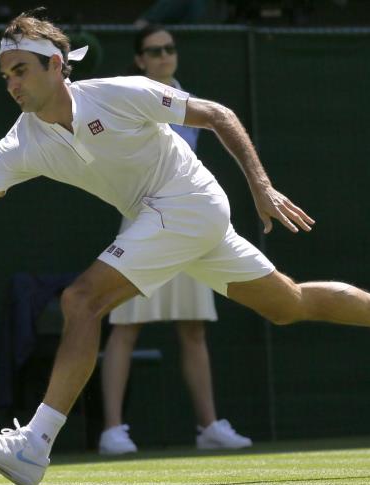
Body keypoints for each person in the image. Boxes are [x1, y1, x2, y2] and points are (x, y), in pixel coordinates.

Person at [0, 9, 370, 485]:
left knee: (82, 300)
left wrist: (260, 185)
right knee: (286, 303)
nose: (12, 84)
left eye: (21, 70)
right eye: (5, 75)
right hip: (168, 220)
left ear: (56, 66)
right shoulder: (18, 144)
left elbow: (217, 115)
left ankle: (34, 446)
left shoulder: (122, 93)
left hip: (188, 201)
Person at [97, 25, 250, 456]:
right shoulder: (130, 95)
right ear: (140, 59)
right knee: (125, 327)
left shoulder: (189, 100)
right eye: (154, 51)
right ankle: (112, 430)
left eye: (170, 49)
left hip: (186, 223)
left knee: (193, 329)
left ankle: (209, 427)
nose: (165, 56)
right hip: (141, 223)